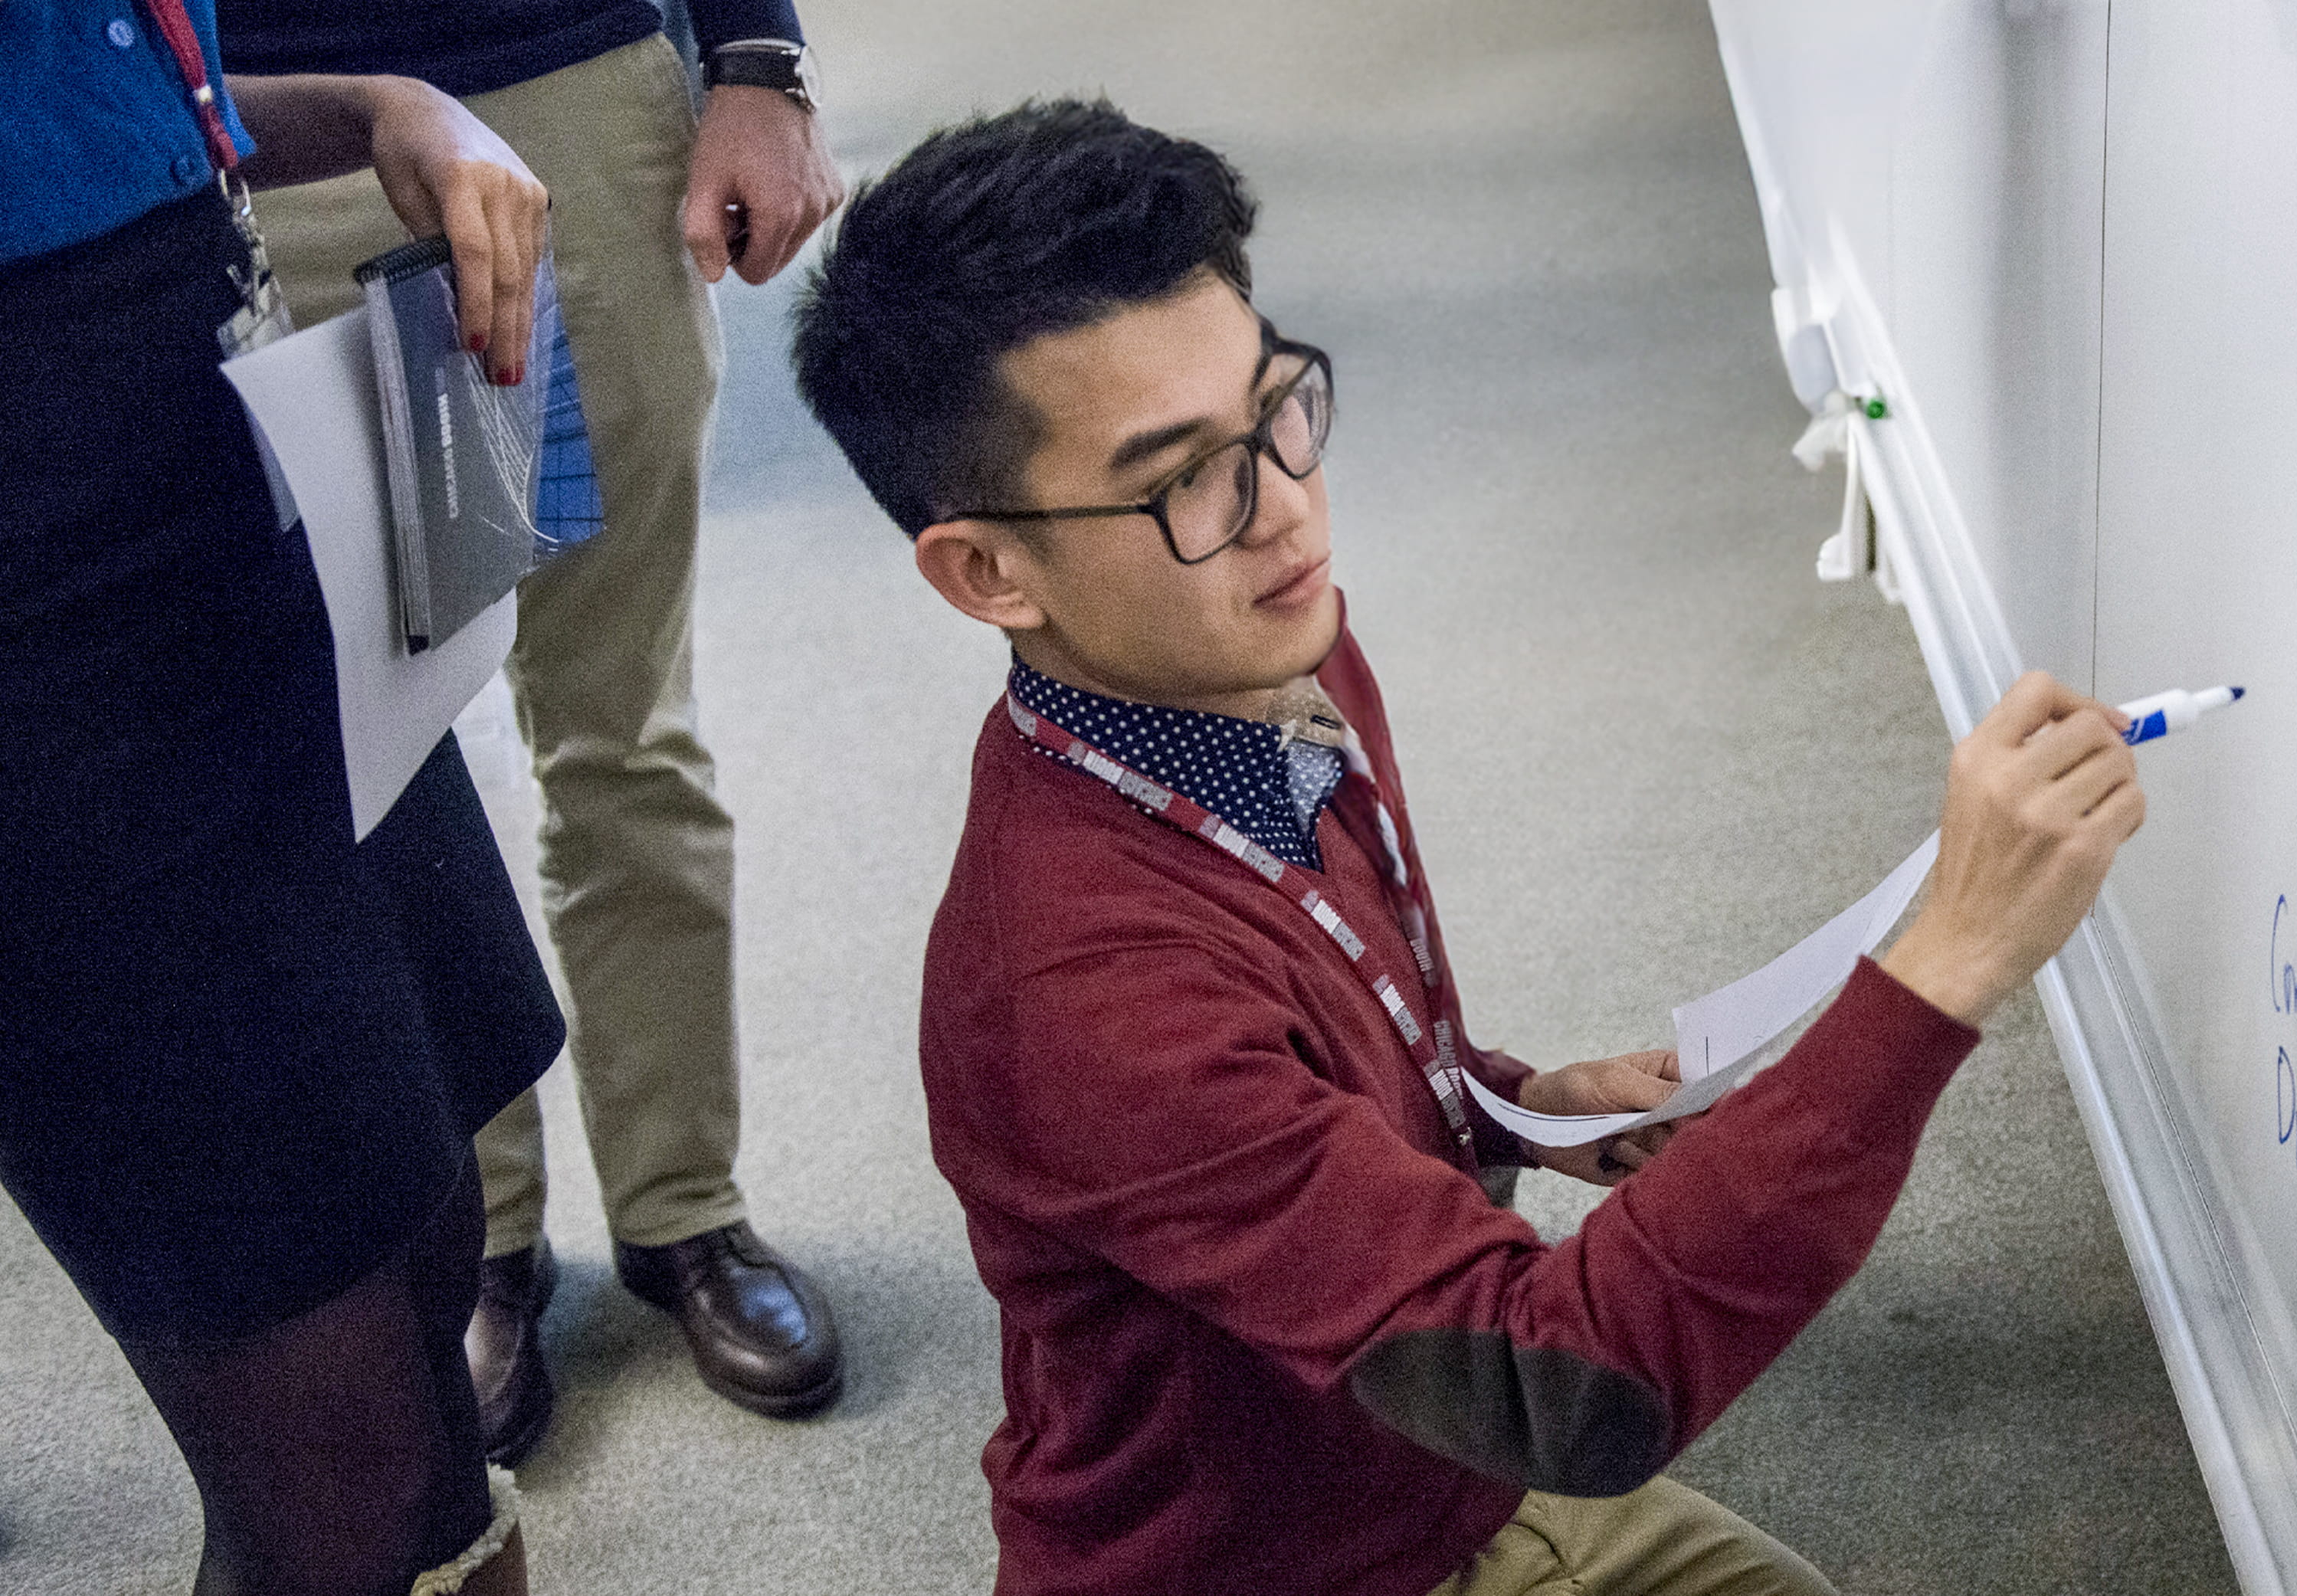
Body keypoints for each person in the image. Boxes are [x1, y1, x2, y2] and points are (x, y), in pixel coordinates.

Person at [790, 100, 2145, 1596]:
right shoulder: (1077, 996)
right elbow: (1559, 1389)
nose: (1284, 509)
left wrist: (1504, 1104)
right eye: (1180, 479)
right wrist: (1948, 963)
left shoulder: (1259, 655)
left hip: (1442, 1477)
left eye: (1276, 405)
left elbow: (1302, 1048)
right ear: (988, 571)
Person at [218, 0, 854, 1462]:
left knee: (624, 724)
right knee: (382, 765)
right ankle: (480, 1234)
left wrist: (759, 60)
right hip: (255, 142)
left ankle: (685, 1209)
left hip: (560, 86)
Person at [0, 5, 565, 1591]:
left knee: (422, 1245)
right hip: (47, 603)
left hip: (238, 461)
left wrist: (379, 102)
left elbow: (101, 95)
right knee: (329, 1440)